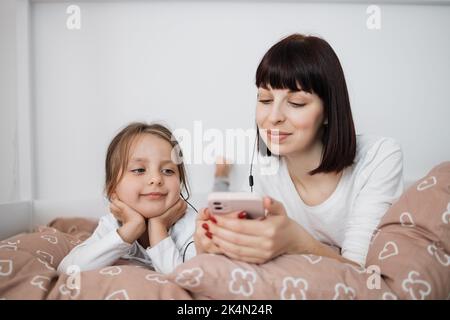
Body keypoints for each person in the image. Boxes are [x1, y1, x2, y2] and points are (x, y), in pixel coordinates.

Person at [196, 34, 404, 267]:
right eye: (265, 100)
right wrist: (211, 246)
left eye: (296, 103)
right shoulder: (265, 171)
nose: (273, 118)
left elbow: (361, 276)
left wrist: (296, 241)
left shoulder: (379, 157)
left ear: (328, 111)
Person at [58, 122, 196, 275]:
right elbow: (68, 270)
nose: (156, 179)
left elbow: (187, 281)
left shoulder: (192, 226)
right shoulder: (112, 225)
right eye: (139, 170)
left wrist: (159, 228)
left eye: (168, 171)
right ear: (113, 189)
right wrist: (131, 228)